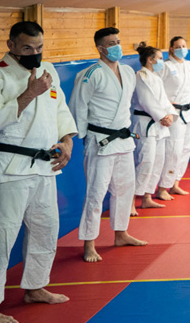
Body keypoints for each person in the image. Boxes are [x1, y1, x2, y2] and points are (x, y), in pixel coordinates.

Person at [0, 22, 77, 320]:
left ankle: (35, 287)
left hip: (46, 166)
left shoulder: (48, 70)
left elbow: (60, 109)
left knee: (47, 230)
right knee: (0, 235)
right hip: (12, 169)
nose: (35, 54)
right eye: (26, 48)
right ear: (11, 45)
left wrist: (68, 140)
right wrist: (30, 93)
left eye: (39, 48)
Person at [70, 27, 147, 263]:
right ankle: (89, 243)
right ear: (100, 48)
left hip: (123, 139)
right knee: (96, 193)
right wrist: (81, 136)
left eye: (118, 41)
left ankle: (121, 233)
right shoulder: (90, 74)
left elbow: (127, 106)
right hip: (100, 141)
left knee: (124, 189)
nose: (116, 46)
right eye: (111, 43)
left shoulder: (127, 71)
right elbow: (77, 107)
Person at [131, 43, 176, 212]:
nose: (161, 62)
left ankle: (147, 197)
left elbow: (164, 100)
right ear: (150, 60)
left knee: (158, 161)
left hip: (159, 125)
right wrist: (162, 116)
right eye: (160, 59)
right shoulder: (140, 76)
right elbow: (145, 100)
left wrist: (169, 114)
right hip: (145, 124)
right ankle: (131, 201)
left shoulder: (156, 78)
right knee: (145, 161)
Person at [158, 36, 190, 197]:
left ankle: (175, 182)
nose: (182, 49)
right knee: (173, 150)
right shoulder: (165, 66)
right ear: (171, 48)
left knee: (186, 149)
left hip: (188, 113)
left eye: (184, 45)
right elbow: (158, 89)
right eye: (178, 46)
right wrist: (165, 107)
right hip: (173, 114)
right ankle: (163, 187)